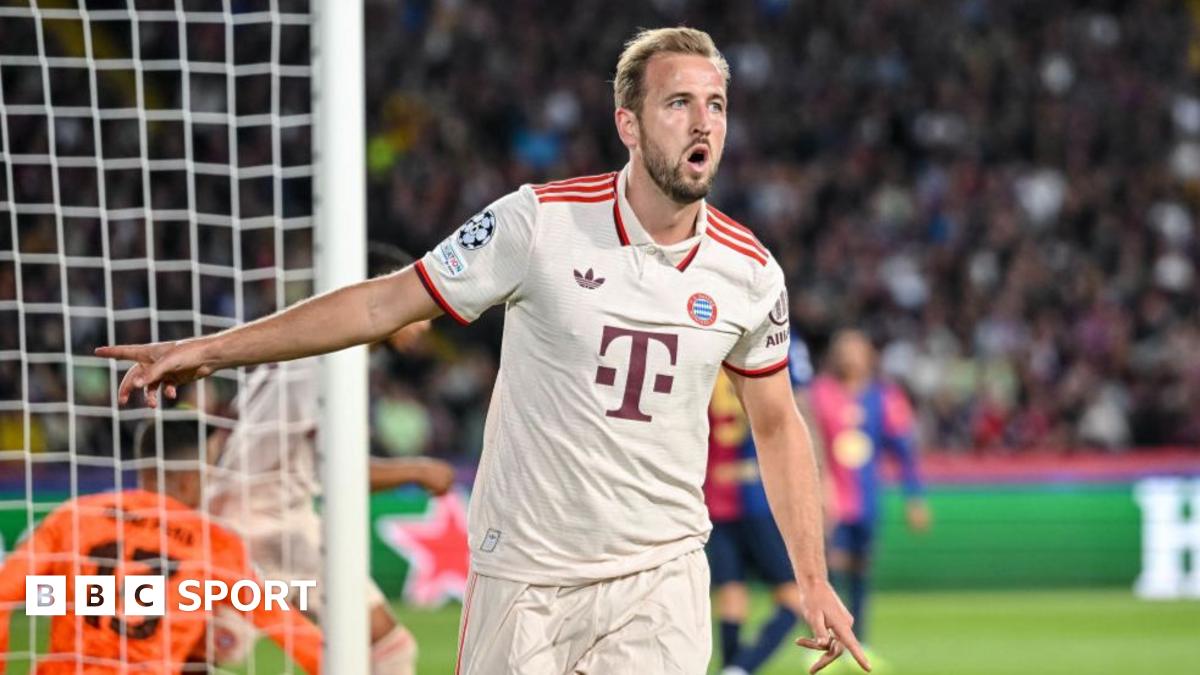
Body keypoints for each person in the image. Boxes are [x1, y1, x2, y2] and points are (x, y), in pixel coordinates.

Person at [97, 27, 869, 674]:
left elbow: (776, 424)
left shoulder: (752, 273)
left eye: (716, 106)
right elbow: (381, 301)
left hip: (658, 576)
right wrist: (215, 351)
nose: (704, 124)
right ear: (628, 123)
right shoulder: (538, 225)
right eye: (678, 104)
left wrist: (813, 576)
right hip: (523, 575)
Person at [204, 244, 454, 675]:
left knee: (209, 652)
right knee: (387, 651)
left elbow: (225, 431)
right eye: (419, 307)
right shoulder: (329, 365)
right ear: (383, 294)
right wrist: (418, 470)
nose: (425, 326)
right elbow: (344, 473)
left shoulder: (296, 354)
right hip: (270, 526)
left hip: (244, 520)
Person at [0, 419, 323, 674]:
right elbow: (288, 628)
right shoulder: (214, 545)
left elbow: (5, 593)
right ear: (188, 478)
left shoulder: (76, 515)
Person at [808, 330, 931, 649]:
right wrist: (819, 487)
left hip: (866, 499)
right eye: (844, 350)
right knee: (829, 570)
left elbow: (904, 451)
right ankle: (827, 642)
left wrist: (914, 498)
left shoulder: (885, 397)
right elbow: (808, 446)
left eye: (856, 350)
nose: (850, 356)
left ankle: (859, 643)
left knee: (861, 569)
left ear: (868, 356)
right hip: (829, 501)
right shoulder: (820, 394)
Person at [705, 332, 816, 675]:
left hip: (712, 494)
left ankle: (732, 668)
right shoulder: (774, 341)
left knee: (731, 596)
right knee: (792, 598)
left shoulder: (703, 345)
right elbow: (790, 412)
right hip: (757, 494)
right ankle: (740, 668)